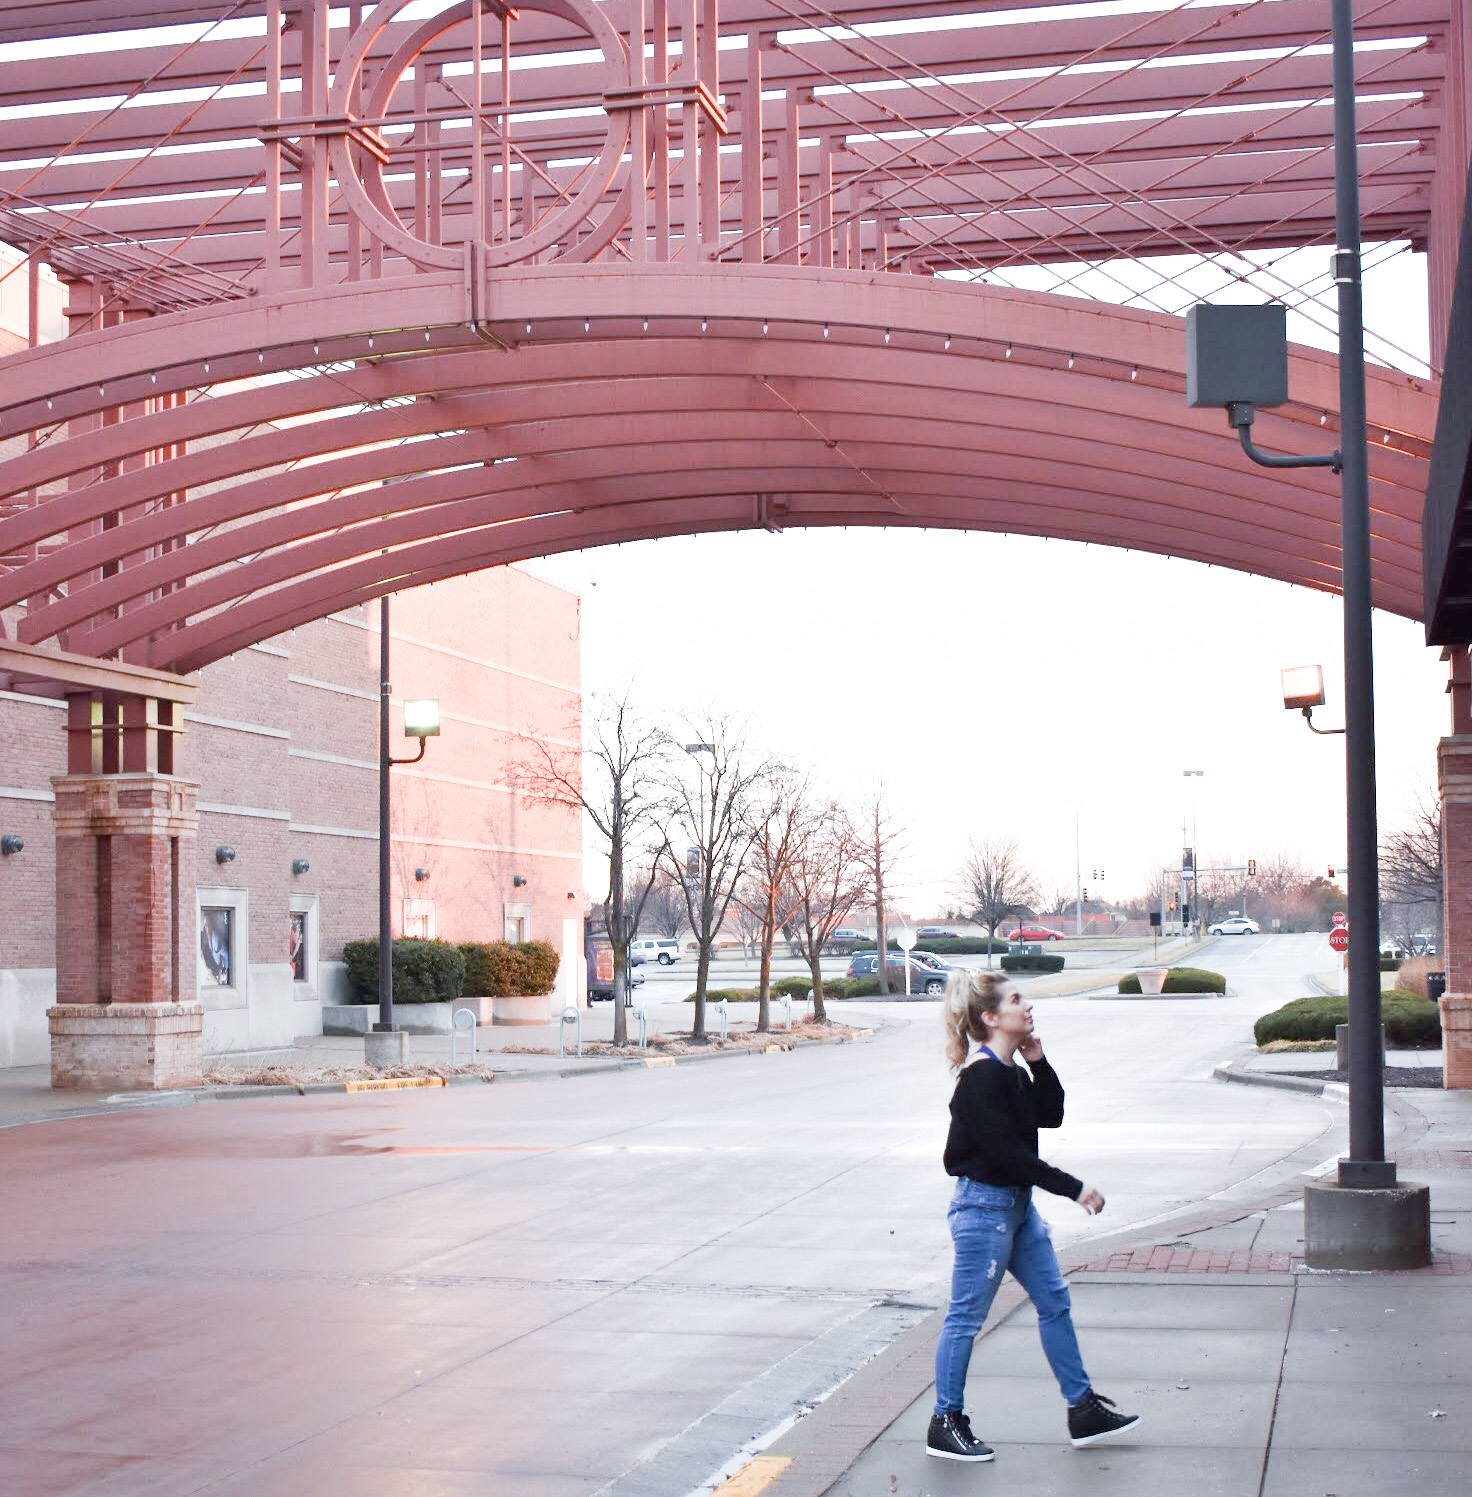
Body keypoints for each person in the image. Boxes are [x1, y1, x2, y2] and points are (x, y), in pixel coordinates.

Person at [928, 968, 1141, 1463]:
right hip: (983, 1211)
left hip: (1017, 1210)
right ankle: (945, 1422)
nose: (1028, 1007)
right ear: (991, 1017)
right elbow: (1009, 1157)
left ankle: (1082, 1409)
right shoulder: (980, 1080)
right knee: (964, 1319)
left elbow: (1051, 1115)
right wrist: (1075, 1188)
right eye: (1018, 1000)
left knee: (1054, 1302)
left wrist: (1039, 1063)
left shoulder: (1012, 1072)